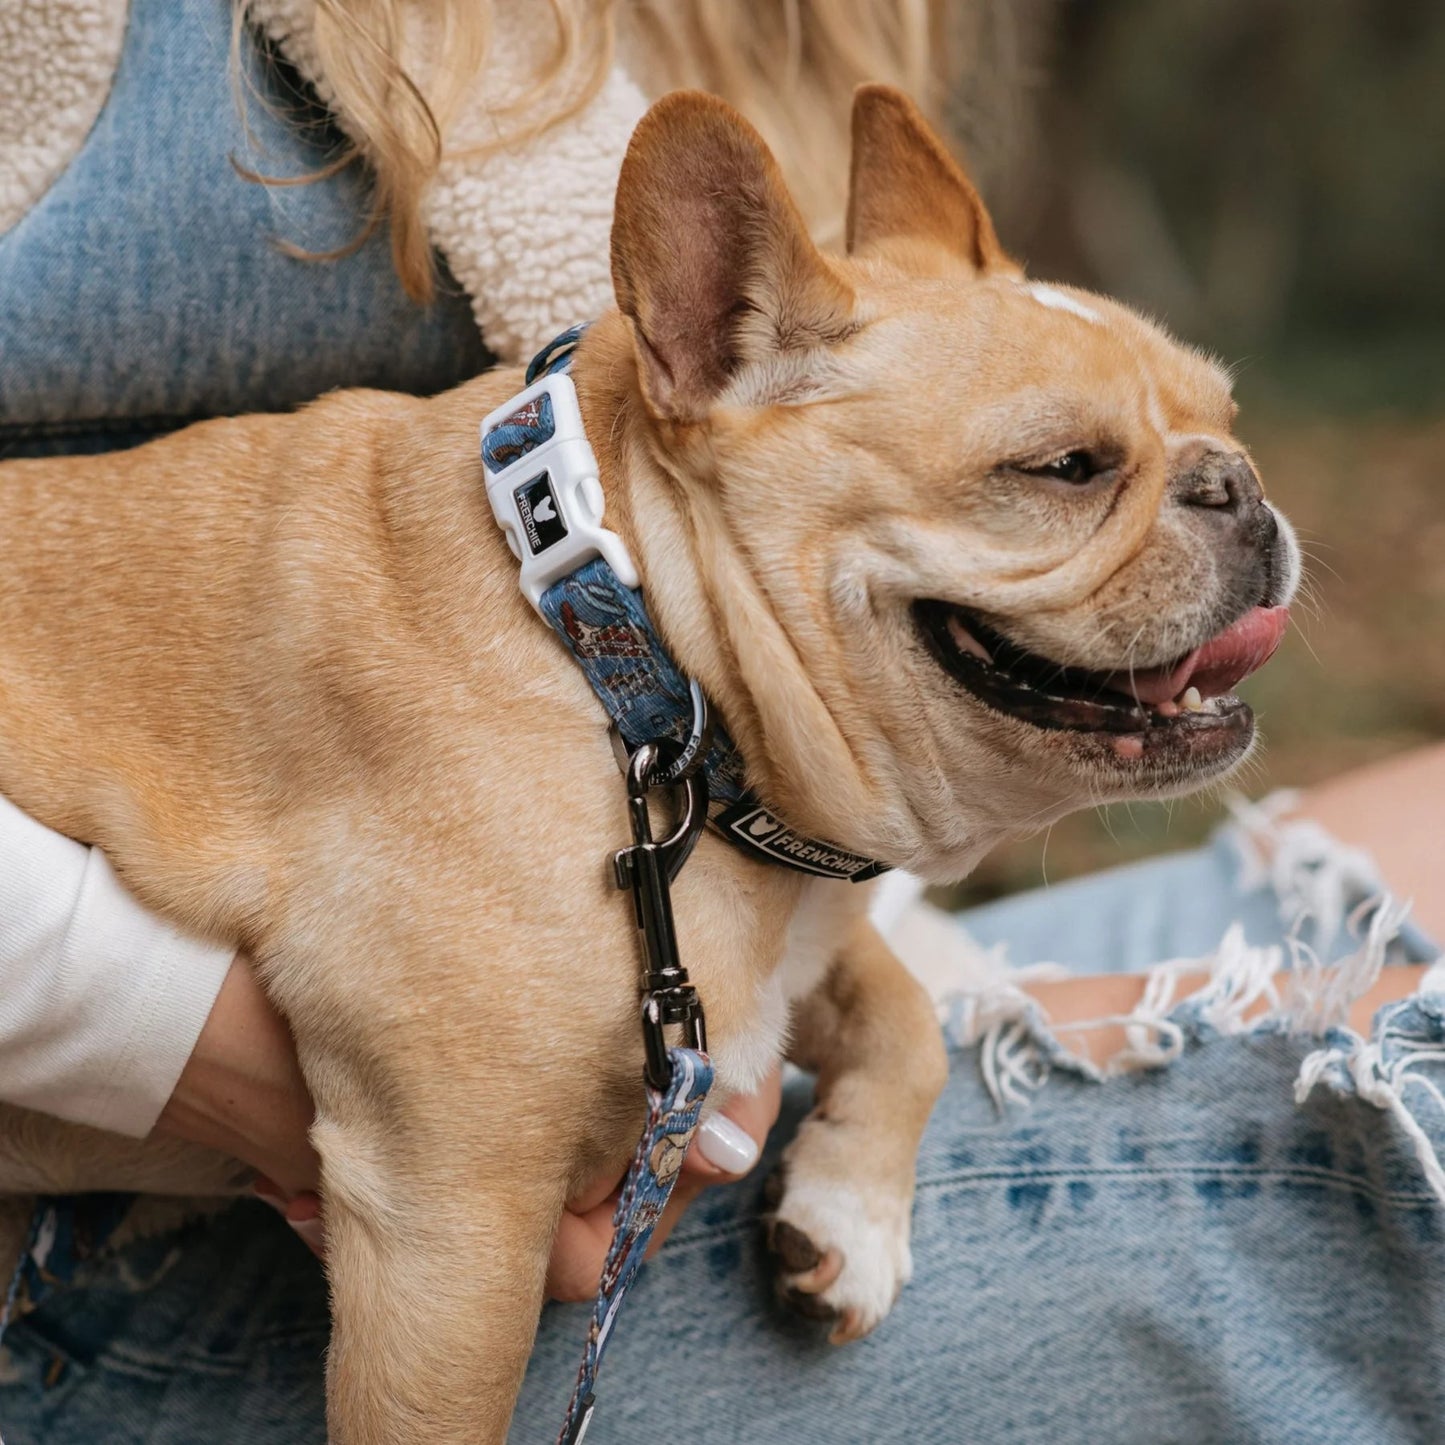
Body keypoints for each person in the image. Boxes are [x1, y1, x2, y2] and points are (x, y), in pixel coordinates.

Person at [2, 4, 1442, 1441]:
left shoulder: (664, 623)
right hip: (92, 1278)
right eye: (1068, 467)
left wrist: (898, 1041)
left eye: (1207, 447)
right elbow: (462, 1109)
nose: (1214, 510)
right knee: (1395, 1132)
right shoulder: (446, 677)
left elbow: (768, 827)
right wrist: (159, 1029)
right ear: (702, 336)